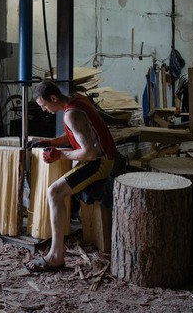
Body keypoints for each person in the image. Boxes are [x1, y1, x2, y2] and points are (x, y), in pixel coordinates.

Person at [26, 80, 116, 272]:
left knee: (54, 192)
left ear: (53, 98)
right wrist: (51, 141)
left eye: (44, 105)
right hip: (103, 155)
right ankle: (56, 252)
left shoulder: (71, 114)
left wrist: (59, 154)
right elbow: (77, 133)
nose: (44, 110)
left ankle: (56, 256)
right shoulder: (77, 100)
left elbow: (89, 153)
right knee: (60, 184)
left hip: (100, 162)